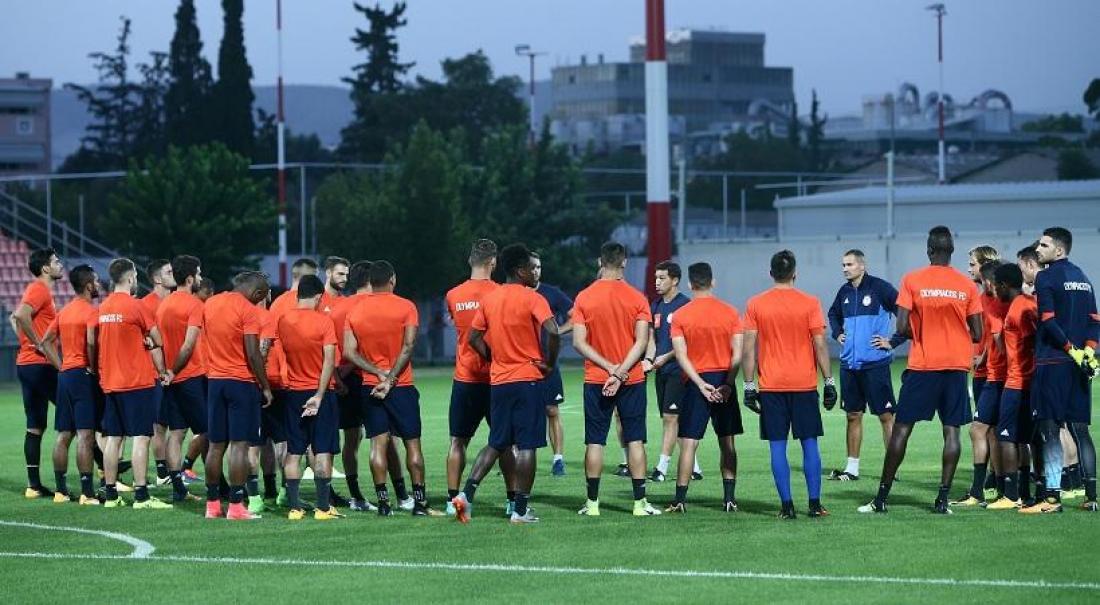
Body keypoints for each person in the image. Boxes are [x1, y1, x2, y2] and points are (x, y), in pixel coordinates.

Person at [859, 226, 982, 514]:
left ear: (929, 251)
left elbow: (901, 327)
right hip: (955, 366)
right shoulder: (966, 285)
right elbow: (977, 333)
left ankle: (881, 499)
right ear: (951, 251)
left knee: (901, 429)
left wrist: (925, 330)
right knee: (951, 432)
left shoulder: (912, 279)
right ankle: (942, 500)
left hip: (924, 365)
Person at [452, 243, 560, 525]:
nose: (535, 273)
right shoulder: (532, 297)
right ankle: (520, 510)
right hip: (527, 380)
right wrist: (549, 363)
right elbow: (553, 330)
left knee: (497, 442)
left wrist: (494, 357)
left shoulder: (491, 298)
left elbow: (474, 337)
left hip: (499, 381)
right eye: (531, 268)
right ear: (520, 270)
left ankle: (466, 495)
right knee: (527, 445)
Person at [743, 251, 836, 519]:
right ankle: (814, 505)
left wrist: (748, 385)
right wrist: (829, 381)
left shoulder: (755, 304)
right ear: (795, 273)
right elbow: (820, 344)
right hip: (804, 384)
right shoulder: (810, 302)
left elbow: (748, 349)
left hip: (771, 385)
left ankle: (787, 507)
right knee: (810, 444)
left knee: (777, 446)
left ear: (771, 273)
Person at [572, 242, 660, 517]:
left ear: (600, 261)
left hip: (597, 378)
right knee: (635, 440)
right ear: (624, 263)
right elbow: (642, 342)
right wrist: (621, 372)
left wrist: (610, 369)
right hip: (631, 379)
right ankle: (639, 504)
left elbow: (578, 342)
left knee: (594, 442)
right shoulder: (637, 297)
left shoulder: (584, 297)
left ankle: (593, 504)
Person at [344, 261, 438, 516]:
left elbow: (349, 352)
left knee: (378, 445)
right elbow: (408, 346)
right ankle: (420, 503)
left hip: (370, 386)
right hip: (402, 386)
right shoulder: (406, 307)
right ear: (392, 279)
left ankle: (383, 503)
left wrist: (377, 372)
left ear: (371, 282)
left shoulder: (355, 311)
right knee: (412, 445)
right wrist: (391, 378)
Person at [1021, 227, 1098, 513]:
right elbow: (1094, 320)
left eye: (1044, 245)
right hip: (1078, 366)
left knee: (1050, 431)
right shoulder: (1083, 277)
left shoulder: (1046, 276)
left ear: (1059, 250)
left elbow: (1048, 320)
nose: (1038, 249)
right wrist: (1087, 351)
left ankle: (1052, 498)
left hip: (1053, 363)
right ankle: (1091, 498)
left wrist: (1070, 349)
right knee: (1081, 432)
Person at [92, 258, 173, 509]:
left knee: (113, 438)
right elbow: (158, 339)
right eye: (135, 276)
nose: (136, 280)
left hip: (111, 382)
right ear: (129, 278)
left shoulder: (104, 307)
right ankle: (141, 496)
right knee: (141, 437)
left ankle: (111, 494)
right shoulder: (136, 306)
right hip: (136, 382)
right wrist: (148, 341)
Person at [444, 240, 518, 516]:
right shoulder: (501, 293)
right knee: (504, 442)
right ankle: (512, 501)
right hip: (496, 378)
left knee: (457, 441)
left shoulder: (453, 295)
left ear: (470, 261)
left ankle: (452, 500)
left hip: (465, 378)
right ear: (493, 262)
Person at [663, 262, 744, 514]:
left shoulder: (680, 315)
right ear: (713, 282)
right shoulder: (731, 312)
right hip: (723, 380)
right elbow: (738, 353)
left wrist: (699, 383)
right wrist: (728, 384)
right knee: (727, 442)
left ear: (690, 284)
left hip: (695, 383)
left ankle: (680, 501)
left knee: (689, 443)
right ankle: (729, 499)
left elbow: (680, 355)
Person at [826, 249, 902, 481]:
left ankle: (892, 471)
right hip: (849, 365)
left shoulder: (881, 288)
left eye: (849, 264)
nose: (845, 269)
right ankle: (852, 469)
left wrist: (893, 341)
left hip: (876, 364)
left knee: (886, 416)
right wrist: (837, 332)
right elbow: (833, 314)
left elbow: (906, 314)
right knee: (853, 415)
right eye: (843, 265)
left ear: (862, 265)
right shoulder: (844, 292)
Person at [202, 271, 272, 520]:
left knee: (215, 445)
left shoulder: (210, 303)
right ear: (258, 293)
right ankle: (235, 505)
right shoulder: (248, 310)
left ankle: (212, 505)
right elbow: (253, 353)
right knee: (239, 445)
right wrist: (265, 386)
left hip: (215, 381)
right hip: (241, 383)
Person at [277, 275, 343, 520]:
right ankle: (323, 508)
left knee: (293, 451)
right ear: (318, 296)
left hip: (294, 393)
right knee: (323, 450)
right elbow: (329, 361)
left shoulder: (284, 321)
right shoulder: (323, 321)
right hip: (320, 394)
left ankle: (295, 508)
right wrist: (319, 395)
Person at [40, 265, 101, 504]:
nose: (98, 285)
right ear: (88, 285)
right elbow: (92, 343)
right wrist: (93, 368)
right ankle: (87, 492)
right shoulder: (91, 311)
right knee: (86, 434)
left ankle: (60, 491)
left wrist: (61, 366)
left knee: (64, 434)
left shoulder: (64, 311)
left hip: (65, 376)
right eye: (96, 281)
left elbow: (45, 342)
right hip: (82, 376)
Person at [954, 260, 1009, 506]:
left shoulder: (999, 304)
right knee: (993, 433)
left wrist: (986, 358)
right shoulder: (992, 300)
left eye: (972, 263)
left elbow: (998, 340)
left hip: (997, 376)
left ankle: (988, 490)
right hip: (991, 374)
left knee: (980, 430)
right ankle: (994, 488)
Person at [644, 261, 703, 483]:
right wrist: (649, 360)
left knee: (670, 418)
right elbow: (652, 339)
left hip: (680, 371)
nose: (657, 282)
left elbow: (688, 342)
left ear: (675, 280)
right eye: (656, 278)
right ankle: (694, 467)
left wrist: (665, 357)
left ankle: (661, 468)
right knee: (671, 419)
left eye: (662, 278)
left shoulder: (686, 305)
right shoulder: (656, 305)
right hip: (661, 371)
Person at [155, 255, 207, 503]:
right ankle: (219, 486)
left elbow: (157, 343)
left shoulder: (164, 305)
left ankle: (178, 488)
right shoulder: (194, 305)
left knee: (176, 433)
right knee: (209, 432)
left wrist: (165, 371)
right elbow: (188, 345)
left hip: (172, 379)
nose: (200, 278)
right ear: (189, 278)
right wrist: (174, 370)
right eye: (198, 273)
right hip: (191, 376)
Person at [985, 263, 1037, 510]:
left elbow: (1032, 342)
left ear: (1005, 285)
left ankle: (1010, 494)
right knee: (1024, 439)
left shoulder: (1018, 309)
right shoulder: (1029, 303)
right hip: (1029, 382)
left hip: (1017, 382)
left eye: (997, 285)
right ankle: (1025, 492)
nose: (995, 290)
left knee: (1005, 436)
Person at [13, 247, 63, 498]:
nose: (60, 264)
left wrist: (27, 343)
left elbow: (15, 318)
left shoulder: (39, 290)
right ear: (45, 268)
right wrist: (39, 344)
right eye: (56, 261)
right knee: (77, 413)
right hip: (40, 365)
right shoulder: (40, 288)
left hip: (27, 364)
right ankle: (104, 472)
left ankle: (33, 486)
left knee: (35, 426)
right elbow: (21, 315)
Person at [329, 260, 374, 511]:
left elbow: (330, 346)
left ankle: (354, 493)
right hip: (366, 377)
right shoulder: (373, 306)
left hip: (339, 378)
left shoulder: (337, 308)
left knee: (347, 436)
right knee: (381, 437)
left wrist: (337, 376)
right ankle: (396, 494)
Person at [532, 252, 573, 476]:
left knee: (552, 410)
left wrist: (558, 331)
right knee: (522, 411)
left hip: (548, 362)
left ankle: (558, 460)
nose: (536, 271)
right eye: (532, 267)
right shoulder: (515, 294)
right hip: (523, 363)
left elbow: (577, 315)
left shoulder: (551, 293)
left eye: (539, 267)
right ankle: (516, 455)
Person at [143, 259, 177, 489]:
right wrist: (161, 370)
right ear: (157, 279)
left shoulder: (175, 301)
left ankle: (177, 469)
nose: (173, 274)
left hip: (178, 371)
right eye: (168, 272)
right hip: (157, 374)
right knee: (159, 425)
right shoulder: (146, 304)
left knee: (177, 426)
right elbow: (150, 342)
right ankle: (162, 472)